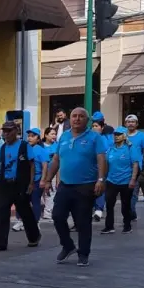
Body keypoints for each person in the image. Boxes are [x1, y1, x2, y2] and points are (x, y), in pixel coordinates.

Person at [41, 107, 108, 267]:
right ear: (69, 119)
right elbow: (56, 160)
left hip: (86, 185)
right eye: (74, 116)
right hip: (65, 184)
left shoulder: (94, 138)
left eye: (81, 116)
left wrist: (101, 179)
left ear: (87, 120)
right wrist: (48, 179)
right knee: (57, 216)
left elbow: (101, 159)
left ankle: (83, 253)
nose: (77, 119)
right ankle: (68, 246)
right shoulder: (63, 136)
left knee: (83, 222)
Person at [0, 121, 39, 252]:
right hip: (5, 184)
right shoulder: (3, 148)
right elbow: (1, 165)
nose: (6, 134)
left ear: (16, 131)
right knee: (2, 212)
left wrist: (31, 183)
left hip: (20, 184)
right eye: (4, 131)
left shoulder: (24, 146)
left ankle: (34, 237)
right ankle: (0, 242)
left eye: (9, 131)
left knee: (25, 211)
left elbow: (32, 165)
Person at [101, 127, 138, 235]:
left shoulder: (130, 148)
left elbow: (135, 164)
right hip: (111, 181)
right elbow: (106, 164)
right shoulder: (111, 148)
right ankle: (109, 227)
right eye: (115, 134)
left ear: (124, 135)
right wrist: (103, 178)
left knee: (125, 206)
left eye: (119, 134)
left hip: (126, 181)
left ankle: (127, 226)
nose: (116, 136)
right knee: (109, 204)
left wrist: (133, 179)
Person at [124, 115, 144, 208]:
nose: (130, 123)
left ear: (137, 124)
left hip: (137, 168)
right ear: (125, 124)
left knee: (134, 192)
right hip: (123, 168)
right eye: (128, 122)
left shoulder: (142, 136)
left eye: (133, 122)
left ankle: (131, 212)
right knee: (125, 194)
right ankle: (130, 213)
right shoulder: (122, 135)